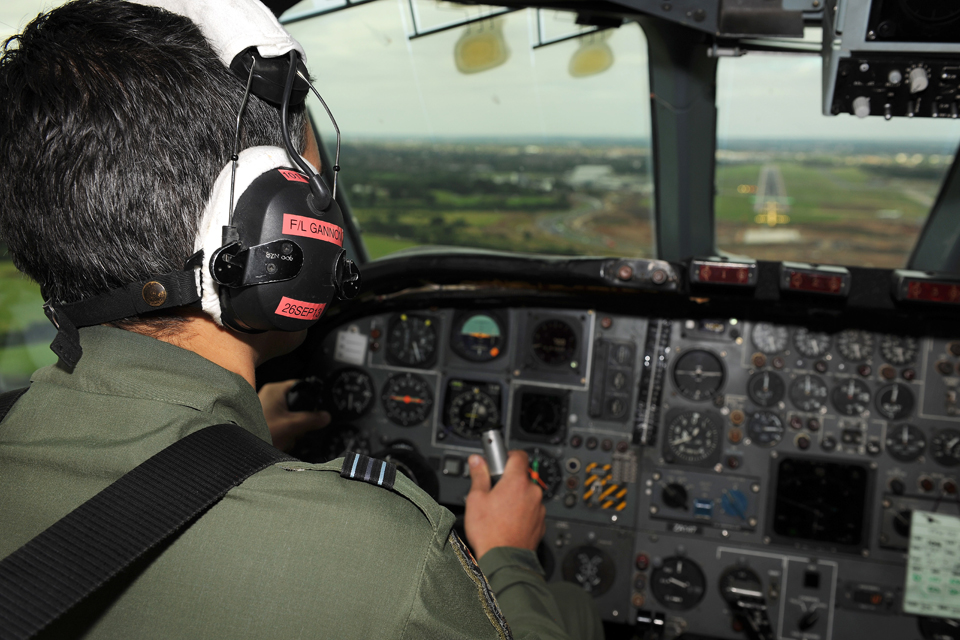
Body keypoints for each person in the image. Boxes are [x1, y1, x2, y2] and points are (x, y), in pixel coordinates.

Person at [0, 1, 604, 638]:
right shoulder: (382, 563)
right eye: (315, 194)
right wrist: (508, 556)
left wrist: (241, 449)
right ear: (280, 237)